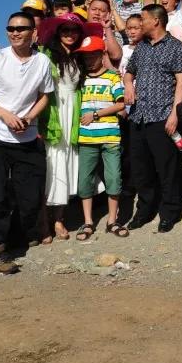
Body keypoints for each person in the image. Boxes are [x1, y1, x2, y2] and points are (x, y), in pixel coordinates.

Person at [0, 11, 54, 274]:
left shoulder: (42, 62)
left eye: (21, 28)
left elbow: (45, 95)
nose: (15, 33)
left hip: (27, 136)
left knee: (29, 197)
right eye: (11, 29)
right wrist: (6, 116)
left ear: (33, 32)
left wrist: (29, 117)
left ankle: (16, 238)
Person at [123, 4, 182, 232]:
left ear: (156, 21)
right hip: (138, 116)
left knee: (167, 169)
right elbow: (129, 72)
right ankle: (144, 210)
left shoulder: (176, 47)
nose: (140, 23)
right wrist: (128, 84)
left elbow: (181, 82)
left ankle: (169, 212)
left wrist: (174, 114)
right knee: (141, 169)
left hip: (163, 116)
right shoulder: (141, 47)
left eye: (143, 19)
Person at [35, 12, 91, 242]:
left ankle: (59, 219)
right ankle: (43, 221)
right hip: (52, 112)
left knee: (66, 165)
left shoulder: (79, 57)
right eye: (65, 30)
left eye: (74, 30)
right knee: (50, 166)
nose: (69, 34)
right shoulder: (45, 55)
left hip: (72, 116)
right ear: (58, 33)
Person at [74, 35, 129, 240]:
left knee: (114, 178)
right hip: (86, 138)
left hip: (110, 137)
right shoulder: (80, 79)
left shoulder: (113, 77)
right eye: (86, 56)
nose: (89, 59)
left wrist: (95, 115)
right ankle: (88, 222)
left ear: (102, 54)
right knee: (84, 180)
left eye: (93, 55)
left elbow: (121, 103)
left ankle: (112, 220)